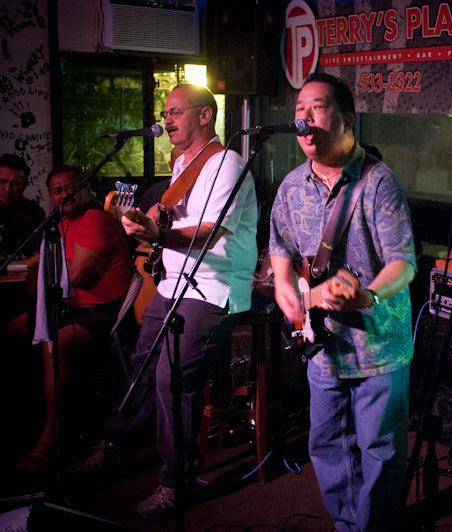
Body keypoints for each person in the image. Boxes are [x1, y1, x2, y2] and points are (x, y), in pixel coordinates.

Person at [72, 83, 258, 521]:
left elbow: (211, 231)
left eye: (175, 111)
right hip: (176, 282)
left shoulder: (225, 163)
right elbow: (176, 219)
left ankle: (178, 482)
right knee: (141, 364)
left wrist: (159, 234)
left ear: (205, 116)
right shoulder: (182, 165)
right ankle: (118, 447)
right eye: (165, 112)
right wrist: (145, 220)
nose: (166, 119)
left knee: (174, 378)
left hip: (213, 287)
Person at [269, 73, 417, 532]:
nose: (303, 118)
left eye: (315, 107)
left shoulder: (377, 183)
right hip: (322, 346)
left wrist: (368, 294)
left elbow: (404, 264)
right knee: (328, 445)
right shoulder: (292, 185)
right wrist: (283, 288)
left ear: (346, 119)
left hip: (378, 346)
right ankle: (345, 524)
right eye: (298, 110)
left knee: (380, 451)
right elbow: (280, 248)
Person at [11, 165, 134, 471]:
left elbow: (76, 274)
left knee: (56, 343)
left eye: (72, 187)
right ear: (51, 198)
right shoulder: (61, 224)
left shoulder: (94, 218)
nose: (66, 194)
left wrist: (47, 264)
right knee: (13, 329)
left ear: (86, 189)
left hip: (106, 313)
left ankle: (50, 438)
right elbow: (38, 276)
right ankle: (24, 420)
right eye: (57, 190)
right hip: (73, 308)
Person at [0, 153, 45, 260]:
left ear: (24, 186)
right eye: (2, 182)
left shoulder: (34, 213)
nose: (8, 189)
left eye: (15, 184)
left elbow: (36, 255)